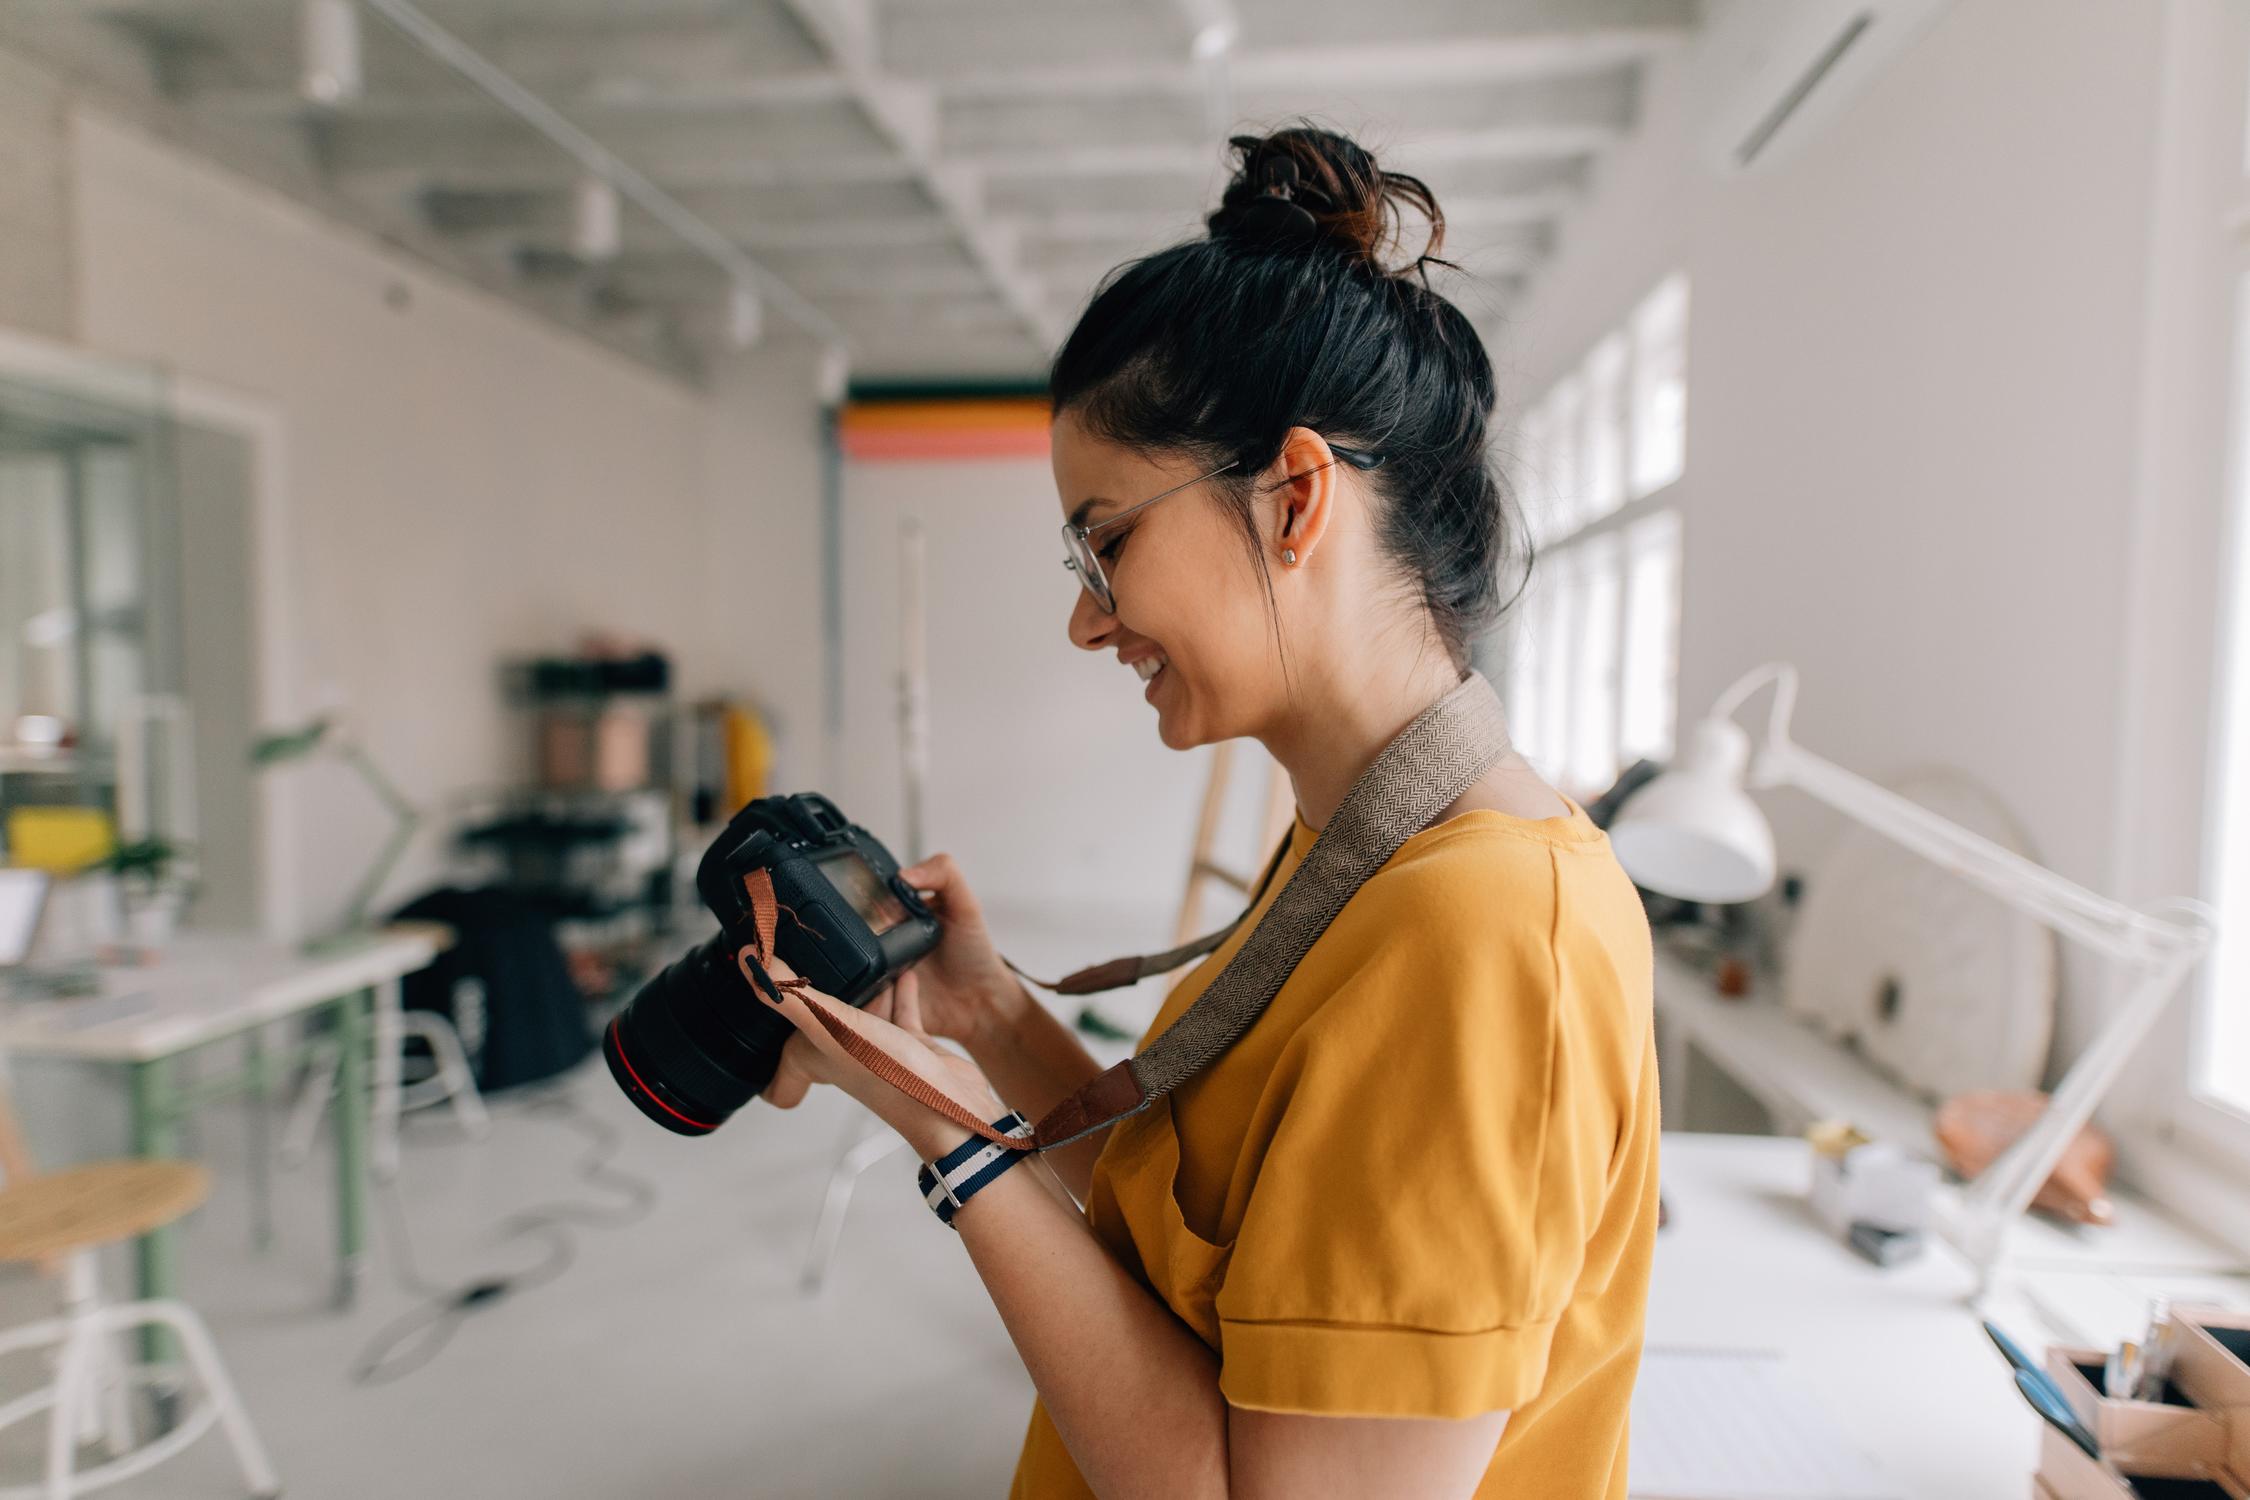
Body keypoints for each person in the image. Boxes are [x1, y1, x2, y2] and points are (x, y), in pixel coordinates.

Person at [757, 125, 1661, 1500]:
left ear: (1294, 496)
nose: (1085, 619)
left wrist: (950, 1146)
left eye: (1108, 541)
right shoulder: (1370, 849)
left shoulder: (1480, 935)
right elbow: (1207, 1237)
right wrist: (991, 1018)